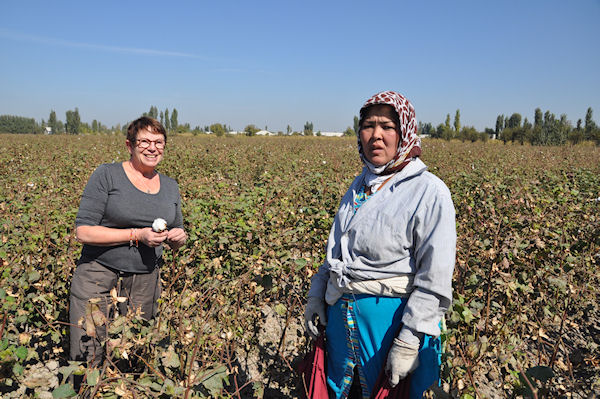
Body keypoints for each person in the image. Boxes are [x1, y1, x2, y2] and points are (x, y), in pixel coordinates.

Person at [304, 91, 456, 398]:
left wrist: (410, 338)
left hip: (390, 330)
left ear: (404, 133)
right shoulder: (360, 185)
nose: (376, 135)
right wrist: (317, 293)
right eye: (368, 125)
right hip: (341, 326)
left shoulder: (429, 192)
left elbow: (434, 277)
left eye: (387, 126)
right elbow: (337, 251)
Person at [69, 116, 187, 367]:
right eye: (144, 141)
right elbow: (83, 232)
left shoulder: (170, 186)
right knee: (89, 351)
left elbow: (176, 229)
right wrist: (137, 234)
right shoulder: (107, 175)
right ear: (129, 145)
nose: (152, 148)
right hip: (98, 274)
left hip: (144, 280)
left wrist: (178, 238)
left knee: (134, 351)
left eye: (158, 142)